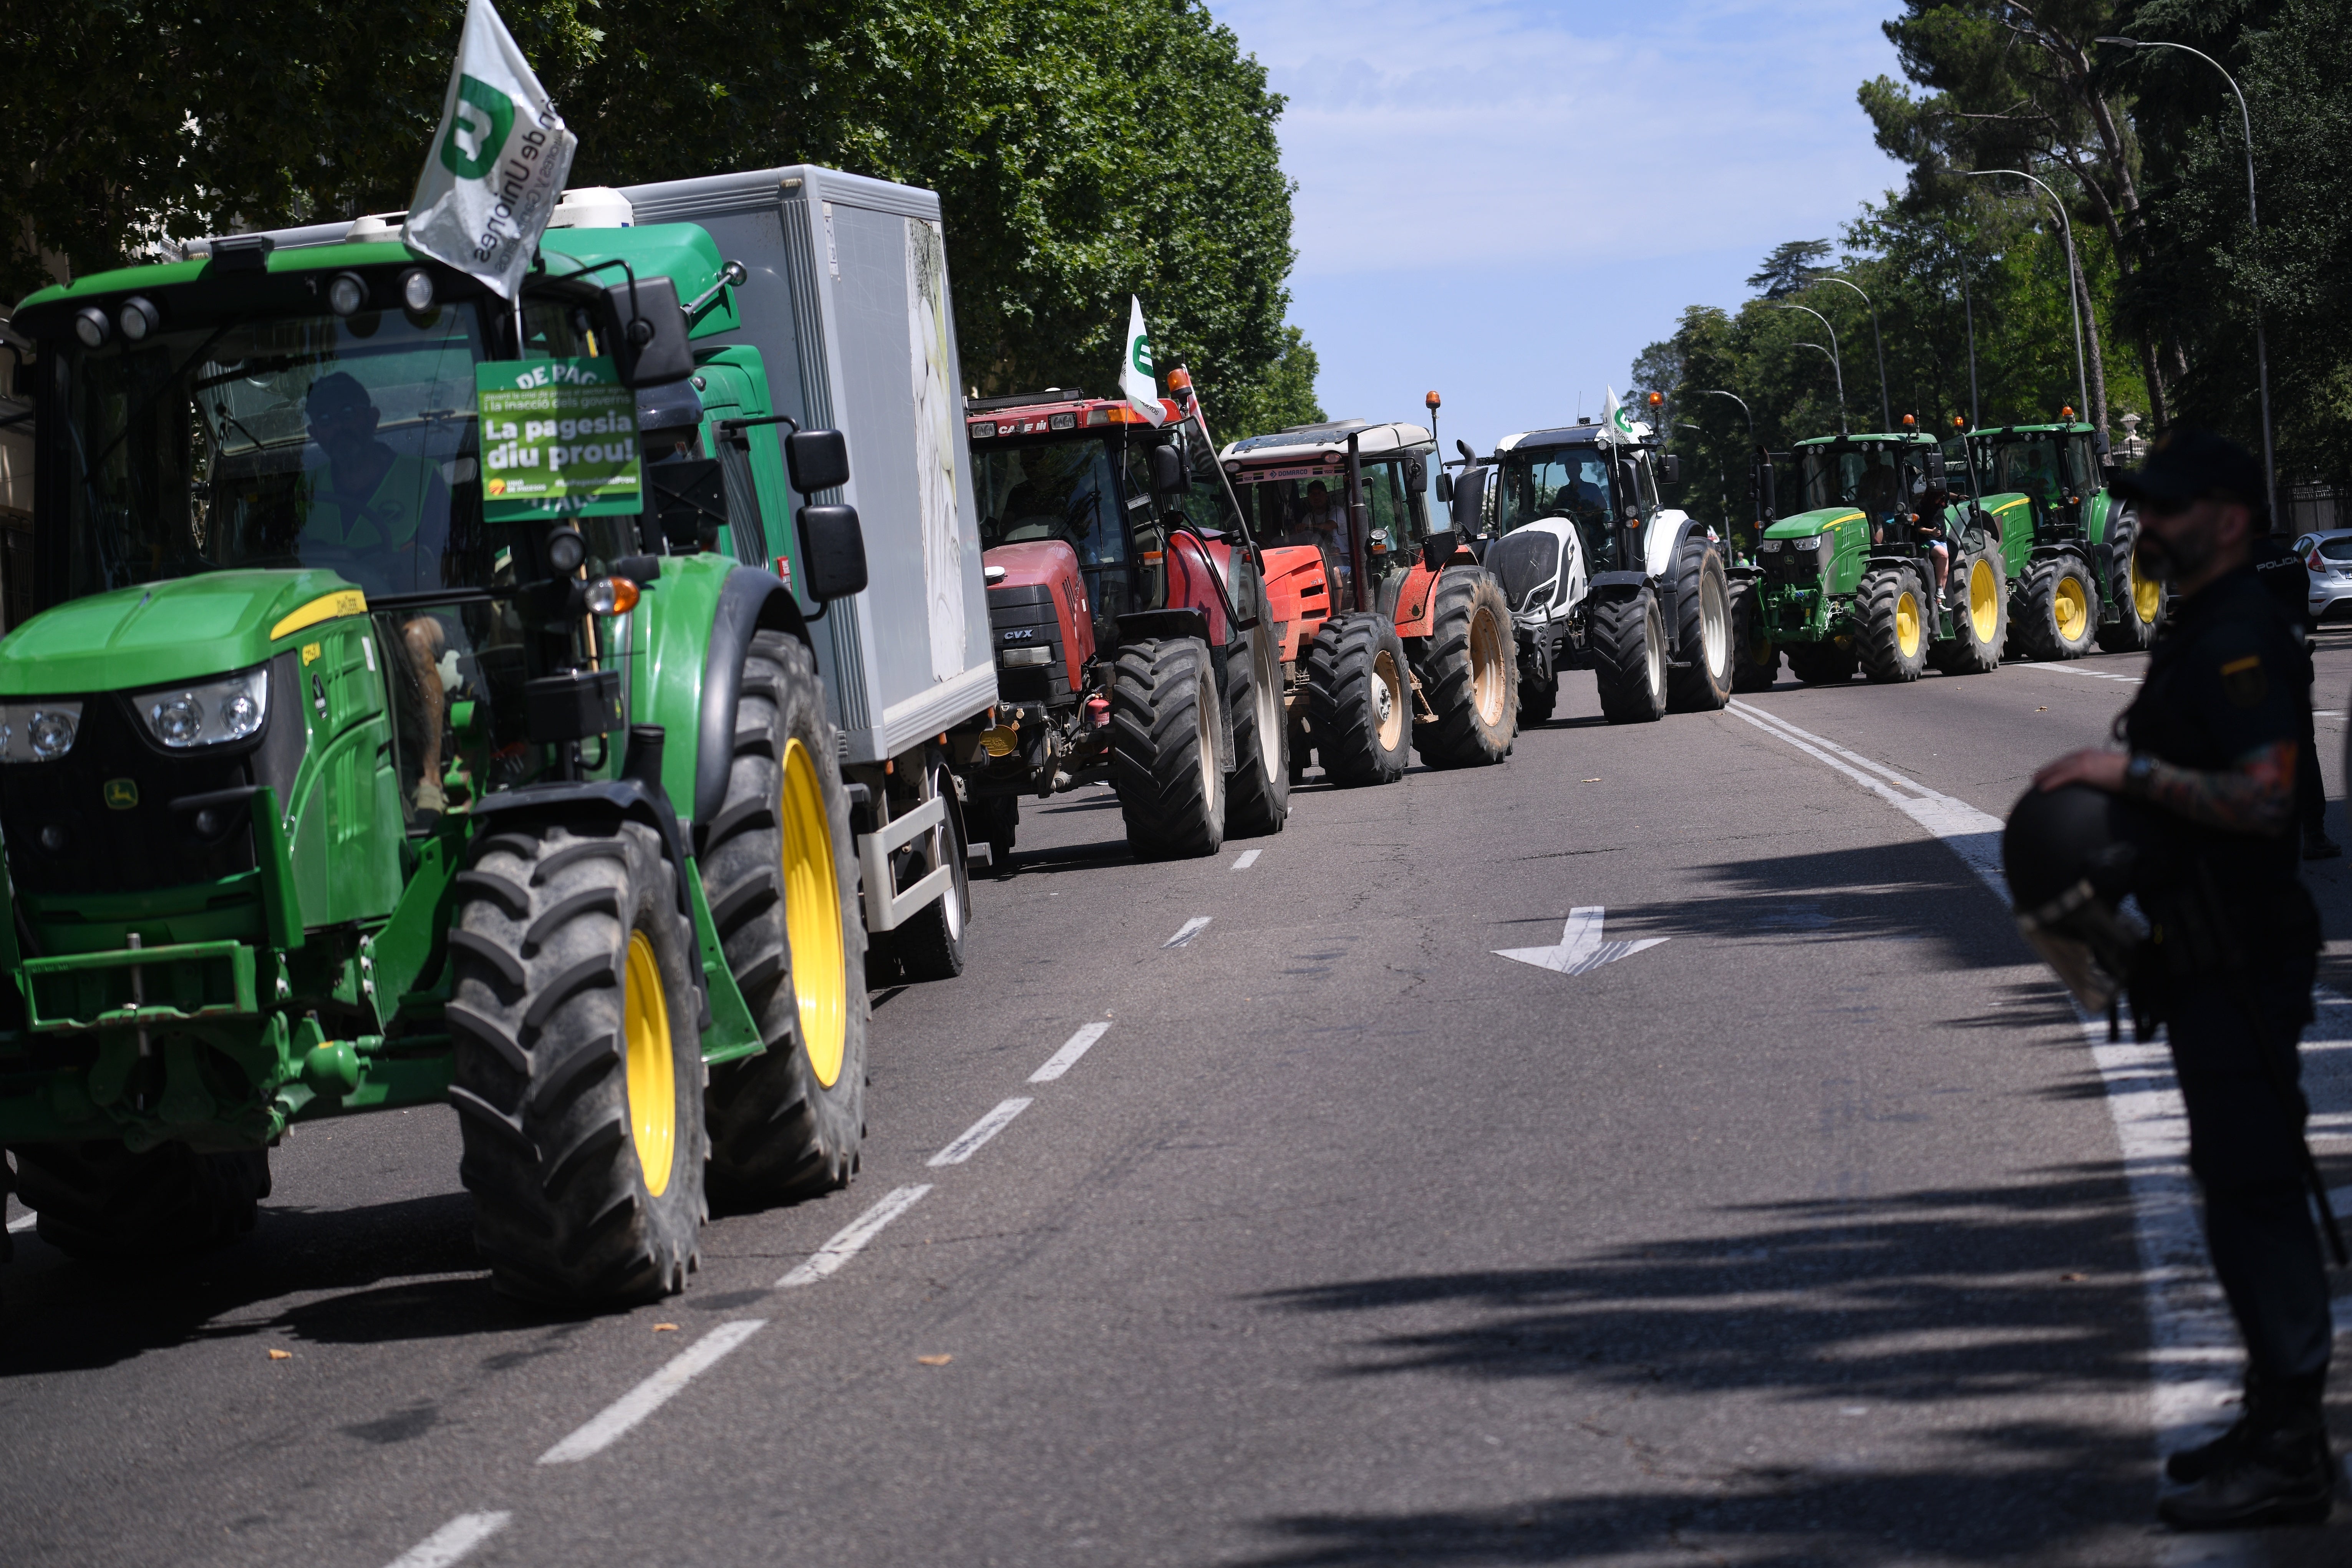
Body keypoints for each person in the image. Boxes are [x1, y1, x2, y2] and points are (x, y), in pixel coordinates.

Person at [2033, 428, 2334, 1532]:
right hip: (2201, 952)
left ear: (2229, 515)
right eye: (2142, 507)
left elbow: (2263, 798)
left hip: (2245, 952)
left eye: (2167, 508)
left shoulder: (2244, 634)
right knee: (2236, 1188)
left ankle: (2293, 1449)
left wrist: (2128, 772)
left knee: (2258, 1197)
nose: (2146, 525)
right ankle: (2270, 1420)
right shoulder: (2198, 623)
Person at [302, 372, 451, 818]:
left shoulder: (423, 478)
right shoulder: (305, 490)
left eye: (348, 415)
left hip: (421, 609)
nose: (339, 428)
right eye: (326, 420)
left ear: (372, 419)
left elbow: (434, 563)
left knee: (413, 641)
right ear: (314, 435)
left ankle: (429, 779)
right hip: (334, 617)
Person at [2249, 527, 2340, 859]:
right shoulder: (2292, 560)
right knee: (2304, 749)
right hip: (2293, 665)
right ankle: (2315, 836)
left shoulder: (2230, 565)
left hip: (2250, 673)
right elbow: (2304, 618)